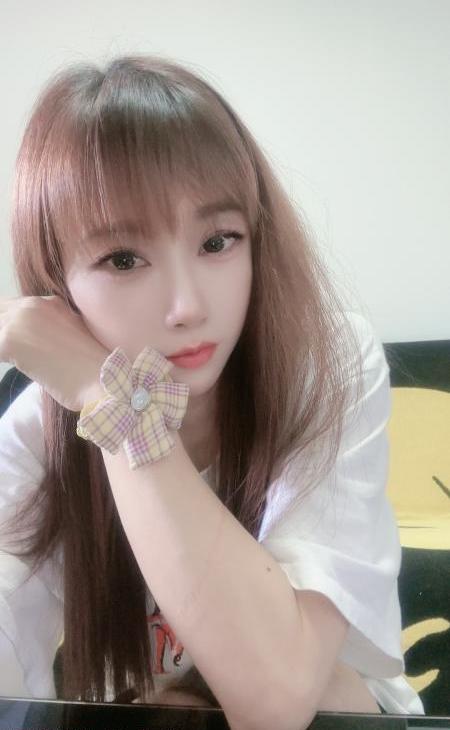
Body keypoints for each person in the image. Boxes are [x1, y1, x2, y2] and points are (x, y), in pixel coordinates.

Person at [0, 54, 423, 729]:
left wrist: (112, 404)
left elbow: (279, 695)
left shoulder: (327, 366)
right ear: (58, 284)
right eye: (123, 259)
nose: (187, 307)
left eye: (218, 241)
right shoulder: (37, 429)